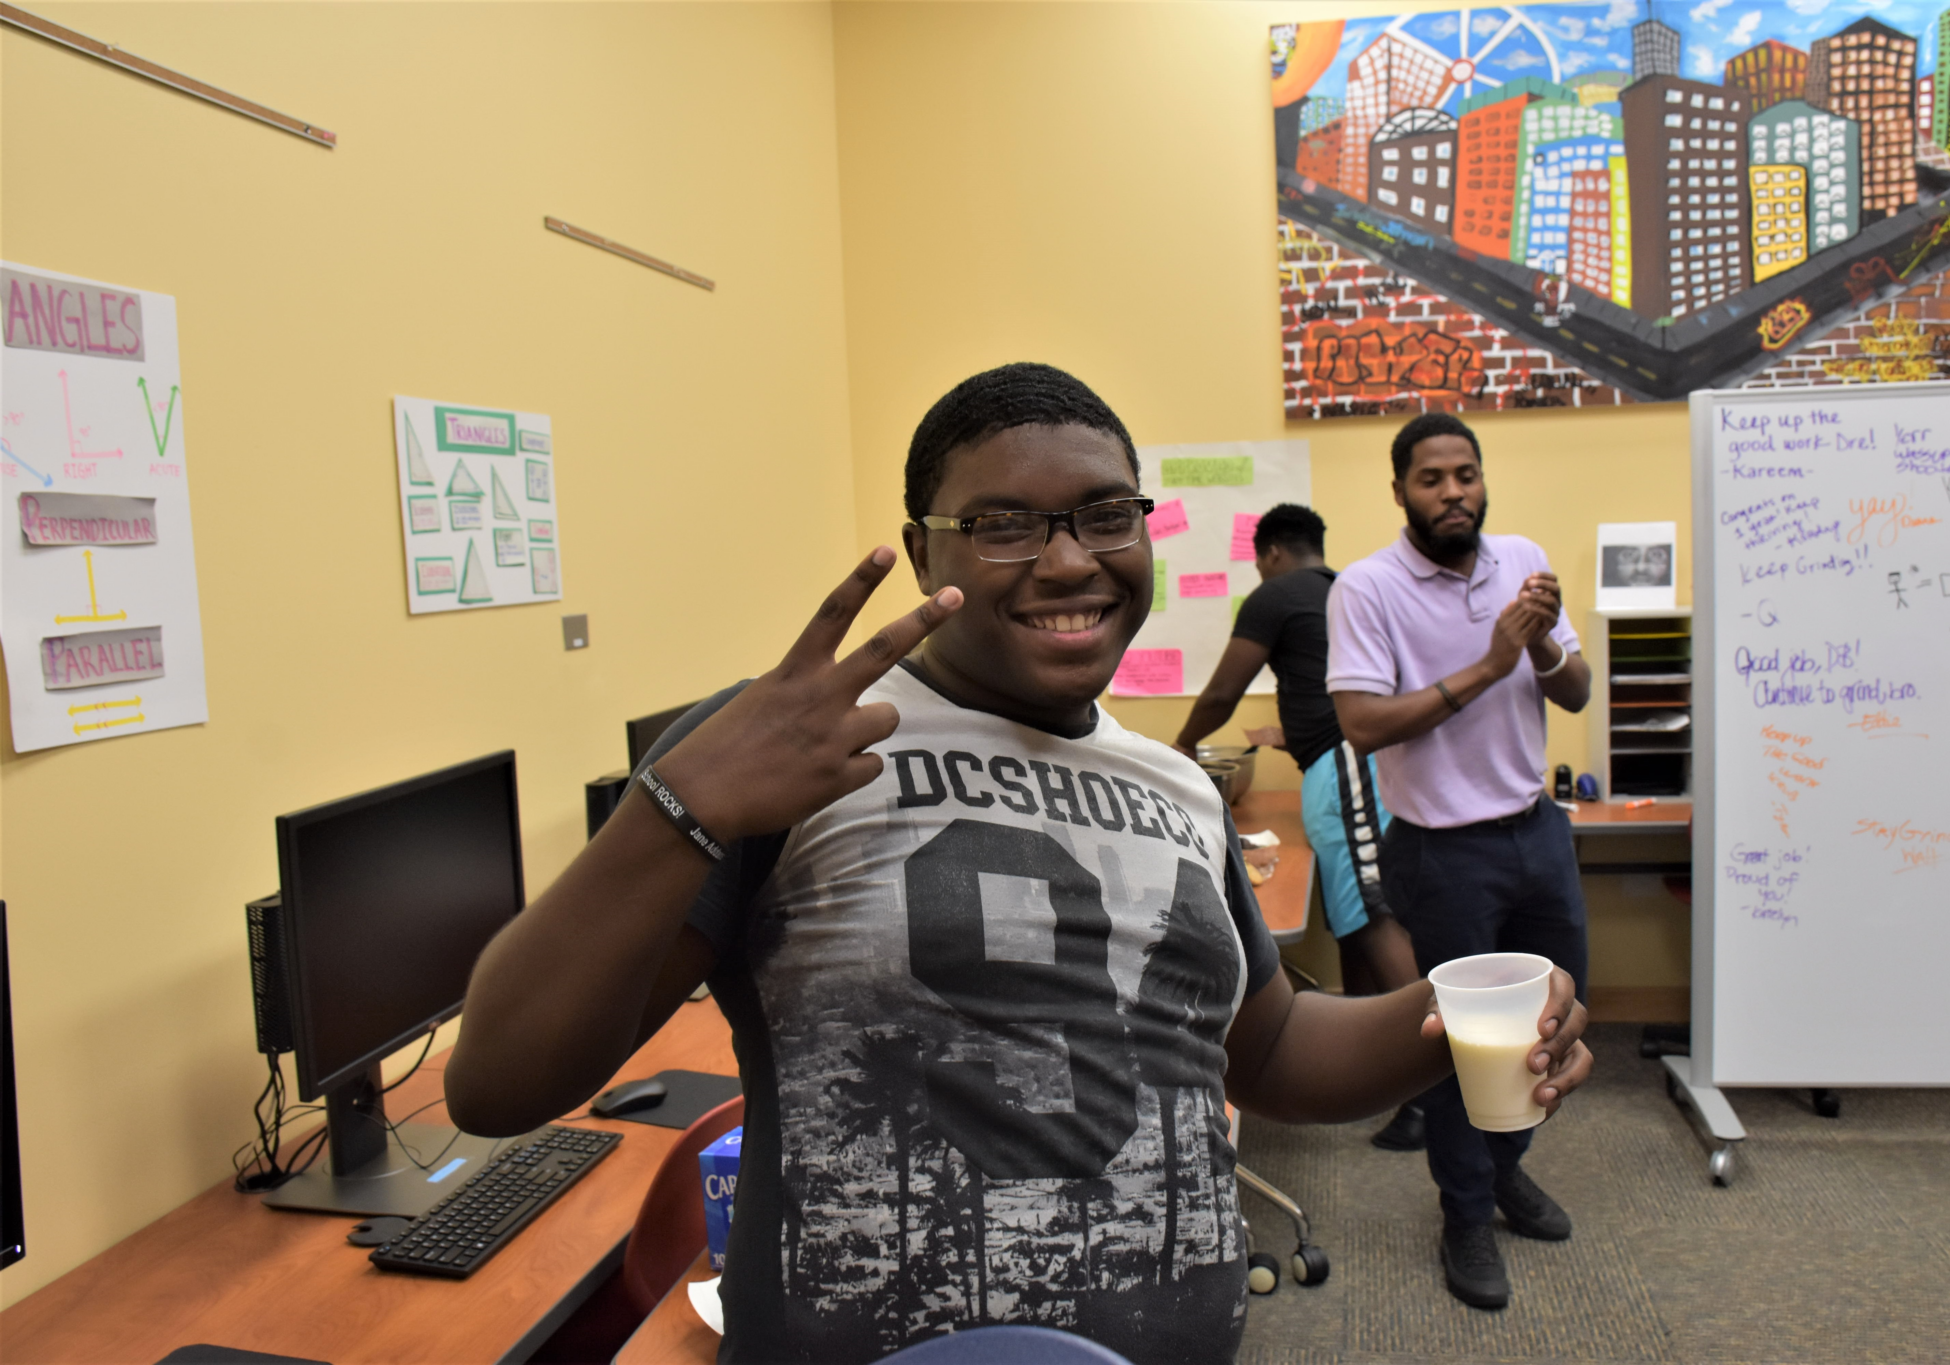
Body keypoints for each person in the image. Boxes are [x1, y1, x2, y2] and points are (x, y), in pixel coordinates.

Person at [446, 367, 1592, 1362]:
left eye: (1104, 516)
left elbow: (1270, 1047)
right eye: (1003, 523)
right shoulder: (803, 742)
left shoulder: (1175, 787)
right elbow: (498, 1083)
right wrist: (679, 799)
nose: (1065, 563)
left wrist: (1443, 1017)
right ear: (918, 553)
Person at [1323, 411, 1594, 1313]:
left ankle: (1505, 1171)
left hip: (1537, 831)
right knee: (1457, 1050)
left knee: (1549, 1026)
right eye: (1432, 479)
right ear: (1399, 489)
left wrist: (1545, 641)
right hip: (1442, 851)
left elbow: (1576, 688)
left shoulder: (1522, 557)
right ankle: (1467, 1215)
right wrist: (1491, 663)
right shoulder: (1366, 588)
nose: (1453, 493)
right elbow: (1361, 724)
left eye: (1465, 475)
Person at [1171, 502, 1427, 1152]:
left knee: (1371, 912)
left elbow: (1222, 692)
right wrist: (1291, 734)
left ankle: (1434, 1085)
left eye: (1259, 562)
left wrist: (1178, 748)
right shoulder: (1342, 590)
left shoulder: (1275, 593)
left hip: (1345, 766)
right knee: (1351, 915)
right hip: (1347, 763)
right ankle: (1382, 1076)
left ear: (1273, 552)